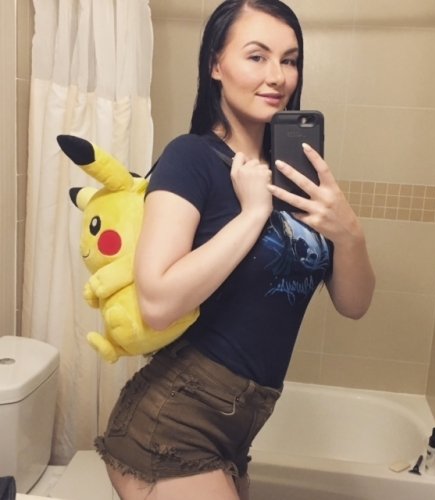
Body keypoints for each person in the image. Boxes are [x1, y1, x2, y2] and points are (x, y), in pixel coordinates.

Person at [94, 0, 375, 499]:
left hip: (238, 426)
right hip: (174, 418)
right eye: (257, 56)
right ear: (216, 65)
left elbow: (354, 305)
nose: (277, 76)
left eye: (289, 60)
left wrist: (349, 233)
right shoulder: (191, 158)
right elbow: (156, 302)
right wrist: (251, 214)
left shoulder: (296, 177)